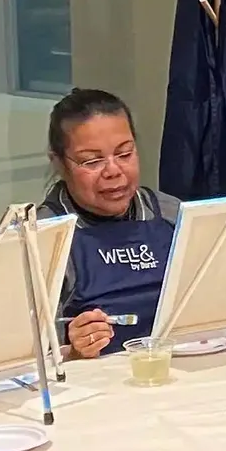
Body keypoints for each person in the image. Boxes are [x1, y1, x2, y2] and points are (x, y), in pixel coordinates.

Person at [40, 89, 182, 359]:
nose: (113, 171)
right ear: (59, 162)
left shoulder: (171, 215)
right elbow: (21, 362)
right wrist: (73, 351)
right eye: (92, 161)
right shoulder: (42, 239)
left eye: (125, 154)